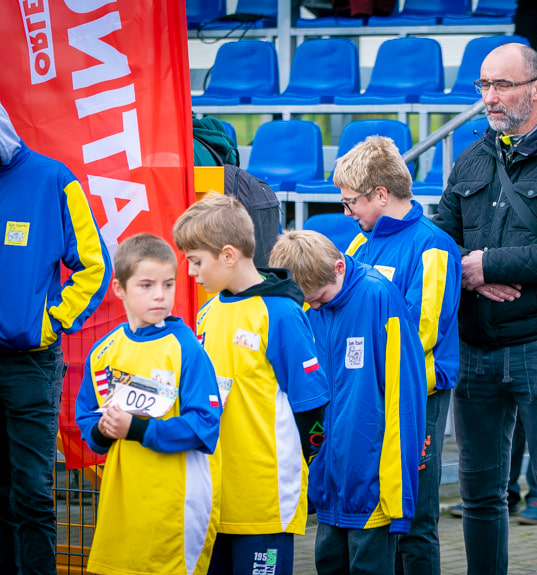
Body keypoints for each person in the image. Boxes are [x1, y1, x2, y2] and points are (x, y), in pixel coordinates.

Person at [434, 42, 537, 575]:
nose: (491, 98)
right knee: (480, 498)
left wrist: (491, 264)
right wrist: (470, 273)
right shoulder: (472, 155)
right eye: (484, 86)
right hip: (475, 349)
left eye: (502, 85)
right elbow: (441, 243)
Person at [172, 194, 330, 575]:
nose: (191, 272)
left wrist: (308, 473)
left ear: (228, 255)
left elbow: (312, 409)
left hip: (265, 501)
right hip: (215, 498)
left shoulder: (281, 315)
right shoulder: (208, 312)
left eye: (196, 261)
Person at [336, 135, 461, 575]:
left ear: (382, 194)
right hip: (371, 397)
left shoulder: (433, 246)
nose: (348, 214)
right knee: (383, 512)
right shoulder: (358, 246)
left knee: (417, 519)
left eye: (352, 203)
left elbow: (422, 331)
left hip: (416, 397)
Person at [268, 230, 427, 575]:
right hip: (327, 483)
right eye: (309, 302)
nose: (316, 308)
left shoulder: (378, 296)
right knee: (328, 563)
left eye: (321, 299)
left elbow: (405, 398)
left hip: (370, 483)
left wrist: (399, 496)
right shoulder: (306, 307)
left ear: (339, 267)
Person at [0, 101, 111, 575]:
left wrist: (47, 322)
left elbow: (95, 266)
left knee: (29, 491)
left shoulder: (52, 180)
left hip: (27, 364)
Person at [75, 233, 222, 575]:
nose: (160, 295)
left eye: (168, 284)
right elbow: (88, 423)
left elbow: (205, 425)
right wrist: (103, 429)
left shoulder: (188, 349)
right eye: (146, 285)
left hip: (177, 504)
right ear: (119, 289)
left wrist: (137, 428)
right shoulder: (102, 352)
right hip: (122, 503)